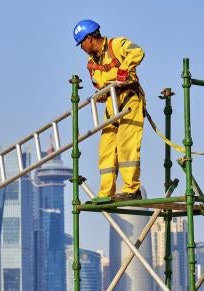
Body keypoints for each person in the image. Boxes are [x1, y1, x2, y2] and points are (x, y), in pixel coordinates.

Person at [73, 19, 146, 201]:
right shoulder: (91, 64)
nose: (81, 47)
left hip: (129, 97)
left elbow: (138, 52)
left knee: (126, 143)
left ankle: (131, 190)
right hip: (111, 103)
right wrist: (101, 95)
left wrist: (123, 69)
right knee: (106, 147)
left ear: (90, 38)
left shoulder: (117, 44)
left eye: (81, 42)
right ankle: (106, 193)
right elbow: (101, 84)